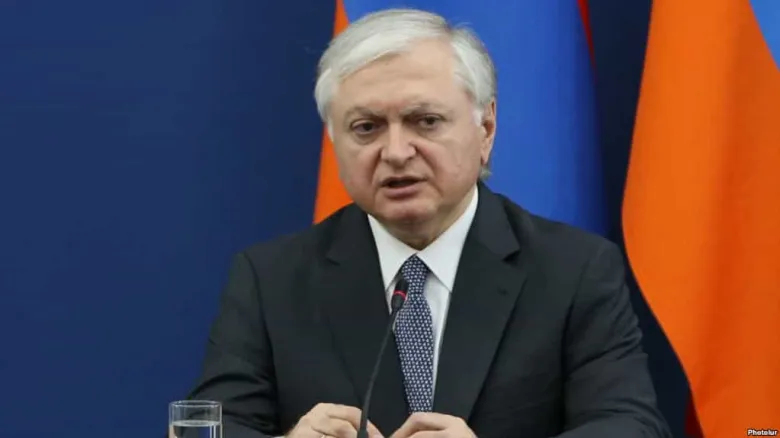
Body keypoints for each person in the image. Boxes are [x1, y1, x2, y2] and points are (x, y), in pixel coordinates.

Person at [185, 8, 671, 438]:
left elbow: (631, 425)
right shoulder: (271, 279)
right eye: (366, 128)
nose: (396, 152)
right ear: (335, 142)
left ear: (486, 129)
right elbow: (209, 428)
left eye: (426, 121)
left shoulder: (573, 269)